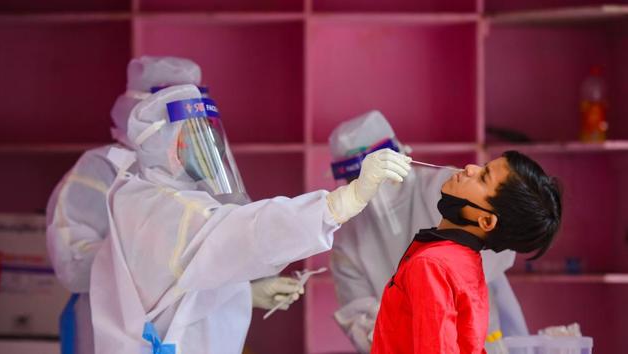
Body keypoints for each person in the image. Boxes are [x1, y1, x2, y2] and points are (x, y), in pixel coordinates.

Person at [89, 84, 412, 354]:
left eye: (210, 137)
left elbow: (180, 281)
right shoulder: (161, 209)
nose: (209, 150)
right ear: (170, 147)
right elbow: (245, 232)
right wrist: (343, 202)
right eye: (194, 140)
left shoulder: (145, 196)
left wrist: (245, 294)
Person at [45, 56, 305, 354]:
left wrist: (243, 289)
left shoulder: (194, 172)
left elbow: (219, 245)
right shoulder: (103, 169)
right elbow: (73, 264)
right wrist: (158, 256)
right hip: (116, 334)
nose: (187, 133)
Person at [328, 111, 529, 353]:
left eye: (383, 166)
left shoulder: (448, 188)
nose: (470, 169)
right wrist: (401, 330)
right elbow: (357, 311)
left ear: (400, 153)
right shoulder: (347, 236)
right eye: (357, 175)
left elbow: (495, 246)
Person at [370, 147, 562, 353]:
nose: (470, 168)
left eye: (483, 178)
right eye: (484, 167)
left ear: (486, 220)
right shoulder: (466, 261)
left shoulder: (432, 265)